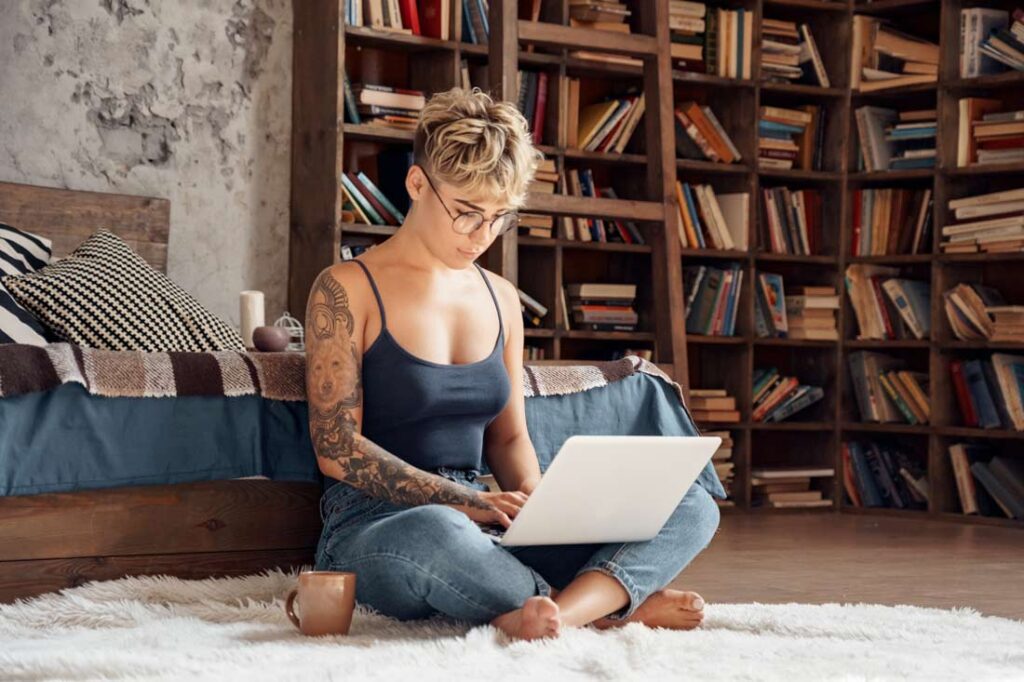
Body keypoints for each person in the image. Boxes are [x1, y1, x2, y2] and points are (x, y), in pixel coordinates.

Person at [306, 86, 721, 641]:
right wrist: (466, 501)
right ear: (417, 184)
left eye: (500, 217)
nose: (483, 235)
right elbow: (337, 450)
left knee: (693, 505)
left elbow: (507, 438)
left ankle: (558, 615)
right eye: (467, 213)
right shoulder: (345, 289)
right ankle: (607, 607)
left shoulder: (502, 297)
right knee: (440, 533)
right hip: (377, 524)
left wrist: (543, 504)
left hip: (490, 521)